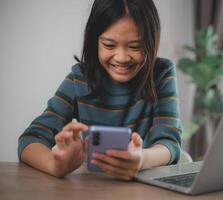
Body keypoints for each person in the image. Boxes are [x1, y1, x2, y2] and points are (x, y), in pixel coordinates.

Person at [18, 0, 182, 180]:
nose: (121, 58)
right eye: (109, 45)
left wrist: (142, 159)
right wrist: (56, 165)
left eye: (135, 46)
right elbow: (30, 139)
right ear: (94, 40)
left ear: (152, 42)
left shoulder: (161, 74)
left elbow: (169, 143)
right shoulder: (80, 78)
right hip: (92, 186)